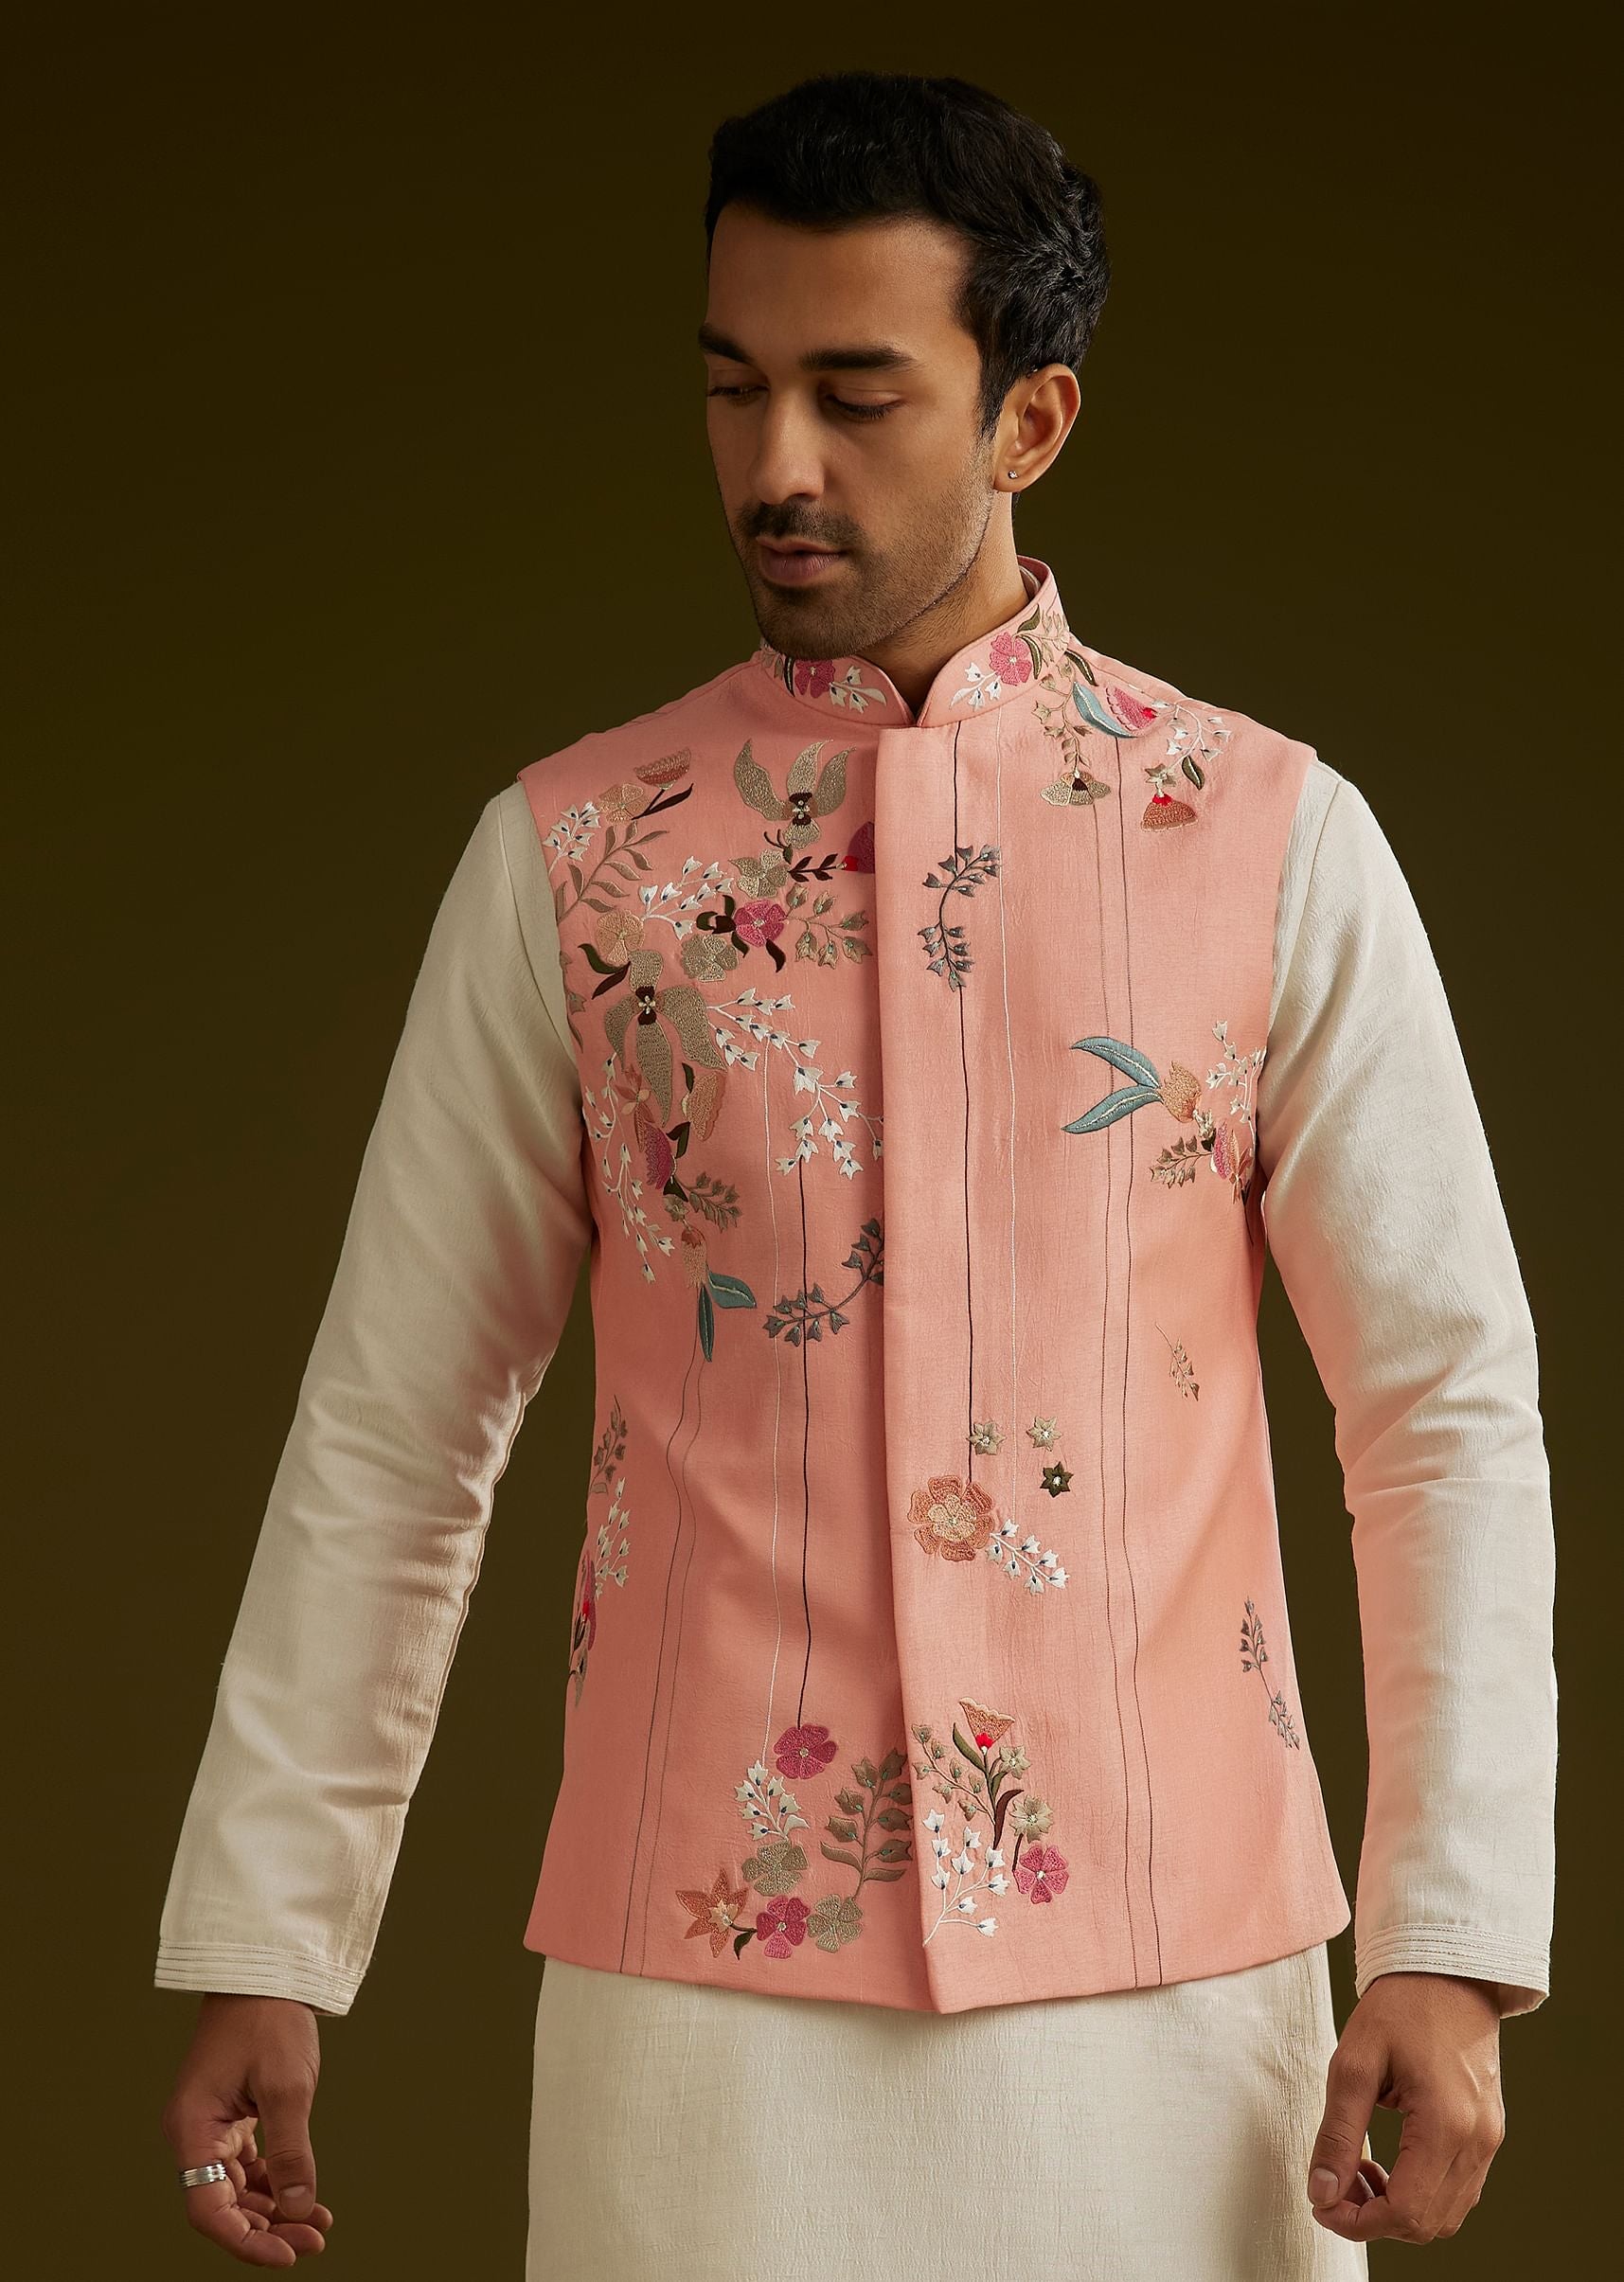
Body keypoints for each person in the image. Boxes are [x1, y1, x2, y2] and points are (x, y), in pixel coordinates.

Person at [155, 71, 1557, 2279]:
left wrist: (1451, 1937)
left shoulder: (1271, 840)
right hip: (700, 2009)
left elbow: (1444, 1407)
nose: (775, 464)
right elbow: (398, 1421)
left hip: (1184, 1987)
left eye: (856, 394)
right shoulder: (578, 863)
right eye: (734, 387)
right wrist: (267, 1928)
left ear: (1030, 419)